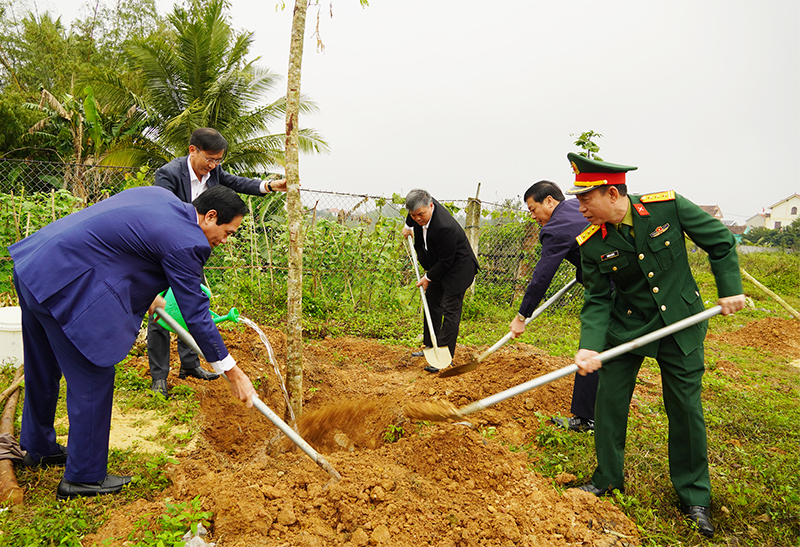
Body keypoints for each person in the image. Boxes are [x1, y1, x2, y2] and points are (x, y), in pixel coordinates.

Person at [10, 185, 257, 500]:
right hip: (64, 285)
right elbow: (197, 315)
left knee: (42, 366)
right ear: (210, 216)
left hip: (36, 267)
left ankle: (39, 448)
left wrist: (151, 294)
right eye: (227, 231)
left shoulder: (161, 198)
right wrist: (233, 372)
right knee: (93, 377)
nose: (225, 240)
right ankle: (83, 478)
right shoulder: (188, 241)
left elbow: (119, 244)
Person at [565, 152, 745, 538]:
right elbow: (597, 299)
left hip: (680, 322)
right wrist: (589, 345)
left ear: (612, 194)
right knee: (609, 402)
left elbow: (721, 242)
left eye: (585, 200)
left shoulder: (667, 208)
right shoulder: (591, 242)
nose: (580, 209)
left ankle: (694, 496)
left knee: (684, 408)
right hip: (626, 328)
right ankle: (607, 477)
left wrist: (730, 290)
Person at [148, 127, 288, 398]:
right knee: (162, 311)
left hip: (194, 251)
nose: (213, 165)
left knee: (195, 302)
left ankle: (190, 365)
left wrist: (270, 185)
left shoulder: (215, 173)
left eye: (218, 161)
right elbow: (162, 211)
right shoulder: (168, 174)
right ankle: (159, 376)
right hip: (167, 251)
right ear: (193, 151)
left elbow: (238, 183)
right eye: (209, 159)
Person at [508, 180, 598, 432]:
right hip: (617, 278)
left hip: (610, 290)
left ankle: (586, 418)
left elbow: (541, 276)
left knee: (591, 347)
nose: (534, 216)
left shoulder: (556, 227)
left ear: (550, 201)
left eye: (533, 209)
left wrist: (522, 316)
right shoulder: (574, 209)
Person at [402, 189, 478, 373]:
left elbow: (447, 261)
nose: (418, 218)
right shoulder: (420, 206)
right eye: (414, 215)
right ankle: (430, 346)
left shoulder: (445, 227)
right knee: (432, 301)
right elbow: (413, 214)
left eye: (421, 214)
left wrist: (428, 277)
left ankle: (445, 356)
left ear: (431, 206)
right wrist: (408, 225)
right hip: (440, 265)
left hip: (458, 268)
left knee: (450, 309)